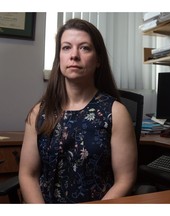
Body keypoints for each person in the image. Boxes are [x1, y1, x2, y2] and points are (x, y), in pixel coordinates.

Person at [18, 18, 138, 203]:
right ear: (59, 59)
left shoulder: (116, 112)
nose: (74, 55)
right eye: (66, 47)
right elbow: (28, 174)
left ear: (98, 60)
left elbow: (125, 179)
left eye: (85, 48)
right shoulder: (39, 112)